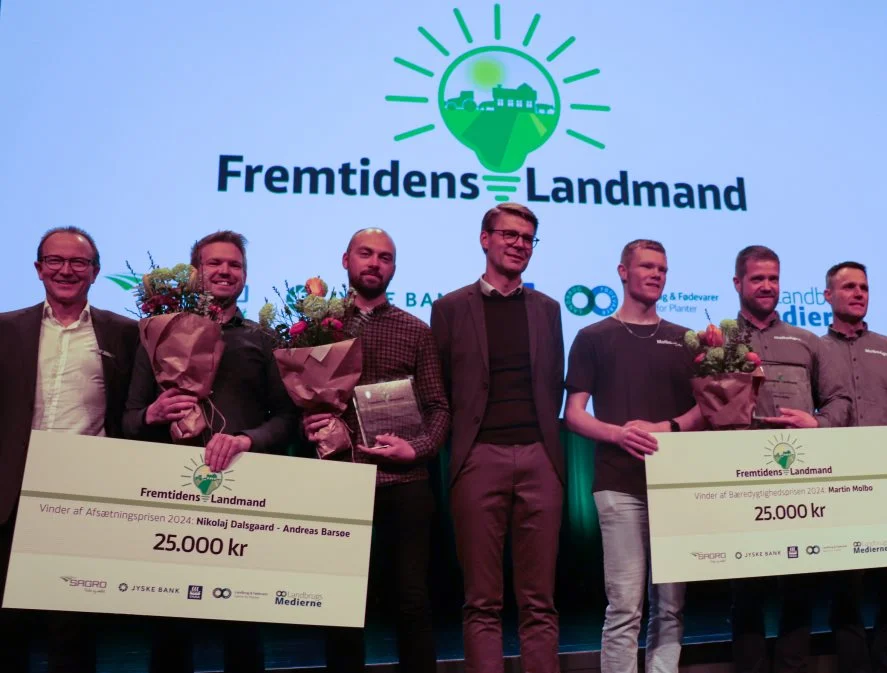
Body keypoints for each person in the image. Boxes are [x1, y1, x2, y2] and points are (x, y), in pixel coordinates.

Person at [124, 230, 297, 673]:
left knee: (243, 630)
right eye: (213, 264)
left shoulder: (263, 339)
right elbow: (127, 420)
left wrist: (247, 440)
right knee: (170, 632)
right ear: (195, 273)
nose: (224, 272)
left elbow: (286, 420)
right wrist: (153, 414)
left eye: (234, 265)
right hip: (171, 500)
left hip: (244, 498)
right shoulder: (157, 334)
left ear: (245, 275)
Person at [302, 227, 450, 673]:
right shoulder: (315, 328)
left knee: (412, 602)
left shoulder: (416, 330)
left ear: (394, 268)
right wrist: (306, 421)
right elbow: (296, 397)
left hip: (405, 483)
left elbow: (439, 406)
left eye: (385, 257)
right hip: (341, 480)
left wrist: (417, 448)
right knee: (343, 605)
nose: (375, 263)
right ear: (345, 259)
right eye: (365, 254)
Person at [430, 203, 566, 673]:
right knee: (482, 602)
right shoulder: (449, 308)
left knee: (540, 602)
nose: (518, 244)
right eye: (509, 234)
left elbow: (553, 382)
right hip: (477, 458)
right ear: (484, 239)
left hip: (540, 459)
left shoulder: (548, 309)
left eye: (528, 238)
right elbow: (441, 389)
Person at [0, 226, 139, 673]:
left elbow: (129, 413)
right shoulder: (5, 330)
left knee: (74, 633)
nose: (66, 270)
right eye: (55, 261)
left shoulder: (125, 334)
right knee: (7, 631)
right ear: (38, 268)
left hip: (84, 499)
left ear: (95, 273)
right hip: (12, 496)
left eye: (79, 262)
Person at [563, 239, 702, 673]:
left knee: (671, 606)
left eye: (662, 268)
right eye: (646, 266)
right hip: (618, 485)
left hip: (675, 487)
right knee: (625, 606)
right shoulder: (592, 337)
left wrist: (670, 427)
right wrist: (618, 434)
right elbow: (573, 415)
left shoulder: (685, 340)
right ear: (623, 272)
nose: (656, 274)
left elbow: (707, 407)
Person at [726, 245, 854, 673]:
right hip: (742, 477)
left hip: (800, 476)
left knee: (799, 581)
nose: (767, 286)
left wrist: (817, 423)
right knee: (747, 584)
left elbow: (840, 401)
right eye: (758, 278)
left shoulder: (806, 340)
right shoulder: (721, 340)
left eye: (773, 278)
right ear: (738, 283)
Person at [820, 260, 887, 673]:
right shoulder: (815, 348)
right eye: (848, 287)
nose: (858, 293)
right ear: (827, 296)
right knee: (845, 592)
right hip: (837, 485)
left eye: (863, 286)